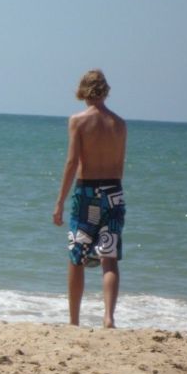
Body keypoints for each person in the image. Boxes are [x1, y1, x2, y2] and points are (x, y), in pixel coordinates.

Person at [53, 69, 127, 328]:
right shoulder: (119, 124)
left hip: (87, 193)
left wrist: (60, 200)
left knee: (77, 256)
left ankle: (74, 320)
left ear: (83, 91)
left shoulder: (78, 121)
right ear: (105, 90)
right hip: (114, 191)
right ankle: (109, 317)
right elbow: (119, 165)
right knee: (109, 257)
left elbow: (73, 162)